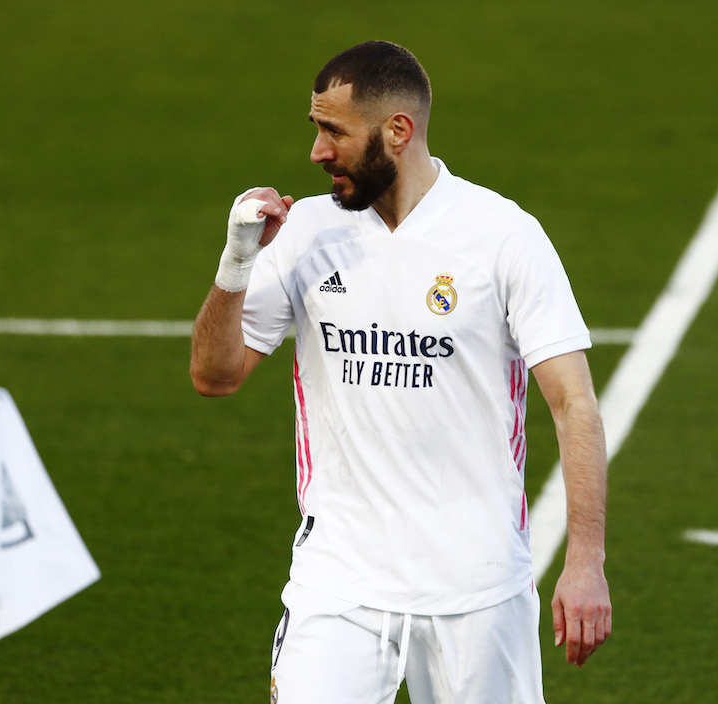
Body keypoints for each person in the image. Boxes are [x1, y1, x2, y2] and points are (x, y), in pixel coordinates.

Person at [190, 40, 611, 704]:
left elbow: (574, 403)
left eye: (334, 132)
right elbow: (214, 376)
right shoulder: (304, 233)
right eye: (316, 130)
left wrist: (585, 560)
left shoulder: (502, 235)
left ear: (398, 131)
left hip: (477, 588)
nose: (317, 152)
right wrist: (235, 264)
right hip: (340, 584)